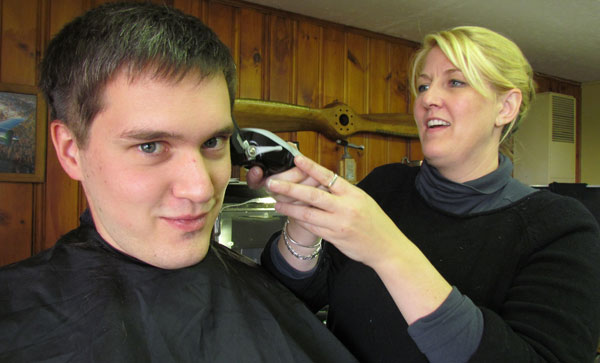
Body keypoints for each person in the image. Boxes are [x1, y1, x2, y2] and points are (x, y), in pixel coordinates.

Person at [0, 3, 358, 362]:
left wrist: (303, 227)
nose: (201, 188)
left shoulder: (245, 284)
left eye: (213, 142)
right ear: (70, 150)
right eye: (150, 146)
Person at [249, 26, 600, 362]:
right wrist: (304, 224)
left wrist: (389, 251)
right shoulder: (386, 186)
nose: (428, 99)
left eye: (455, 82)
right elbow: (294, 298)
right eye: (422, 86)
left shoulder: (562, 229)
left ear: (505, 107)